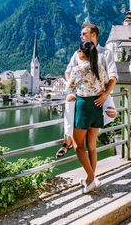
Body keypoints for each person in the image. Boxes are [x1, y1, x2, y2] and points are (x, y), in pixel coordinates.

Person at [56, 24, 117, 158]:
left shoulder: (106, 53)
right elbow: (68, 72)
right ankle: (67, 139)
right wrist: (74, 87)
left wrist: (106, 94)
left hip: (101, 94)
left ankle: (85, 126)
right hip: (82, 93)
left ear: (93, 35)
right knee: (69, 100)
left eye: (83, 33)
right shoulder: (78, 53)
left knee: (112, 114)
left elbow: (113, 76)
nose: (80, 36)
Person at [65, 40, 108, 193]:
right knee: (92, 147)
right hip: (97, 107)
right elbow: (104, 87)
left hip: (83, 107)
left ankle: (91, 179)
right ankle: (90, 179)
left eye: (79, 50)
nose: (78, 52)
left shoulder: (78, 69)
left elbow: (68, 87)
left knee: (78, 146)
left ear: (83, 53)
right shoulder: (100, 68)